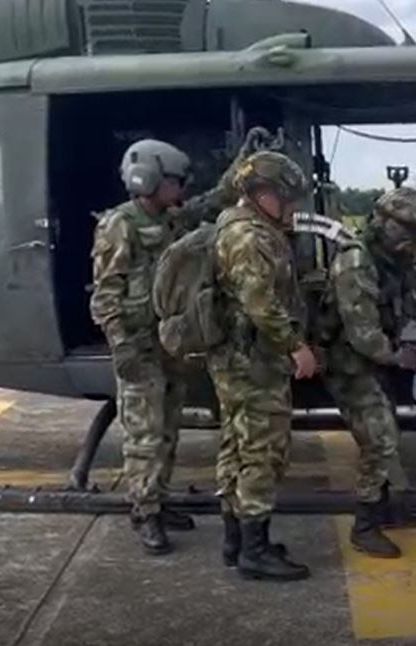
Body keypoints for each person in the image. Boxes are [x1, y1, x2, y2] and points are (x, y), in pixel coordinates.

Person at [89, 135, 254, 554]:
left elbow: (211, 201)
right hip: (139, 346)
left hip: (168, 343)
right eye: (175, 181)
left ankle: (158, 500)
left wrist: (242, 163)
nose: (180, 189)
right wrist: (120, 344)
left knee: (167, 430)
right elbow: (105, 294)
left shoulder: (168, 219)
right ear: (148, 180)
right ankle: (144, 512)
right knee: (144, 435)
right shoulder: (119, 225)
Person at [209, 150, 319, 581]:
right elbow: (260, 302)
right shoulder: (249, 237)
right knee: (261, 453)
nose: (291, 206)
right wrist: (296, 346)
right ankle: (254, 551)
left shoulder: (235, 224)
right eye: (286, 197)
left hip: (238, 361)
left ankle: (236, 541)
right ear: (262, 194)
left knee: (236, 448)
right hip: (254, 363)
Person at [313, 186, 416, 558]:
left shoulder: (393, 259)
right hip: (348, 363)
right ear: (388, 225)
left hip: (373, 359)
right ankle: (365, 526)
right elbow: (363, 335)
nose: (414, 240)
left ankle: (383, 508)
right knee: (380, 439)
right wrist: (400, 357)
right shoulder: (356, 262)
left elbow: (409, 300)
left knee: (385, 432)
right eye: (409, 230)